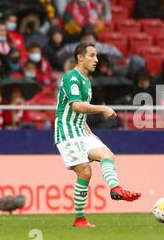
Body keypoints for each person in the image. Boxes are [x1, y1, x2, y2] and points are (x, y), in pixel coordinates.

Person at [54, 42, 141, 228]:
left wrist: (90, 133)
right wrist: (103, 108)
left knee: (107, 155)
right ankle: (79, 219)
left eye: (96, 56)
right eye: (92, 55)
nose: (96, 59)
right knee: (85, 171)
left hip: (80, 129)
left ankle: (116, 190)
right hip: (66, 131)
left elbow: (80, 113)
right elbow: (76, 106)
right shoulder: (72, 78)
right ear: (80, 57)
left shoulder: (86, 81)